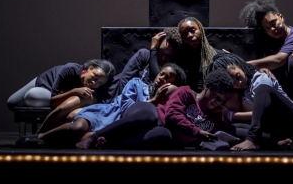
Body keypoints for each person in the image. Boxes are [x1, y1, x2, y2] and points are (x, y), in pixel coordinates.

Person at [15, 62, 187, 148]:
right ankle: (39, 138)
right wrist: (153, 100)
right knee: (77, 128)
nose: (162, 78)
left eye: (168, 78)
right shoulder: (137, 83)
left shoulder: (171, 101)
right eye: (161, 74)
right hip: (107, 113)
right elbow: (127, 108)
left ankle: (62, 143)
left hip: (121, 129)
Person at [78, 68, 235, 150]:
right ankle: (92, 138)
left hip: (164, 132)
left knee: (163, 136)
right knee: (149, 117)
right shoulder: (186, 92)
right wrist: (197, 132)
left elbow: (216, 137)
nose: (219, 101)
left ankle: (107, 144)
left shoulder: (215, 117)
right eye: (217, 95)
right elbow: (172, 115)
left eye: (223, 100)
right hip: (150, 113)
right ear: (207, 87)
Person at [239, 0, 293, 127]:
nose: (272, 29)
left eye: (273, 23)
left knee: (292, 61)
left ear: (280, 16)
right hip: (281, 86)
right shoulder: (268, 39)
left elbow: (278, 60)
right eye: (266, 28)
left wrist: (243, 64)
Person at [207, 52, 293, 150]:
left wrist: (231, 115)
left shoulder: (261, 79)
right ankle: (277, 143)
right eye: (233, 83)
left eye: (238, 76)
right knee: (231, 129)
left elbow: (260, 114)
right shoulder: (244, 90)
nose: (238, 82)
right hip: (280, 129)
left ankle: (251, 140)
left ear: (240, 66)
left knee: (263, 88)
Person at [7, 59, 116, 125]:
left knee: (32, 96)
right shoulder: (70, 69)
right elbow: (54, 101)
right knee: (11, 103)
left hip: (44, 94)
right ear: (90, 68)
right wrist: (73, 92)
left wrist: (64, 95)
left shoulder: (93, 89)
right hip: (44, 84)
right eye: (95, 76)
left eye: (99, 83)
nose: (94, 82)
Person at [174, 16, 218, 94]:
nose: (190, 35)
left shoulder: (216, 56)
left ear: (201, 30)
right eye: (184, 33)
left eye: (193, 30)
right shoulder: (178, 59)